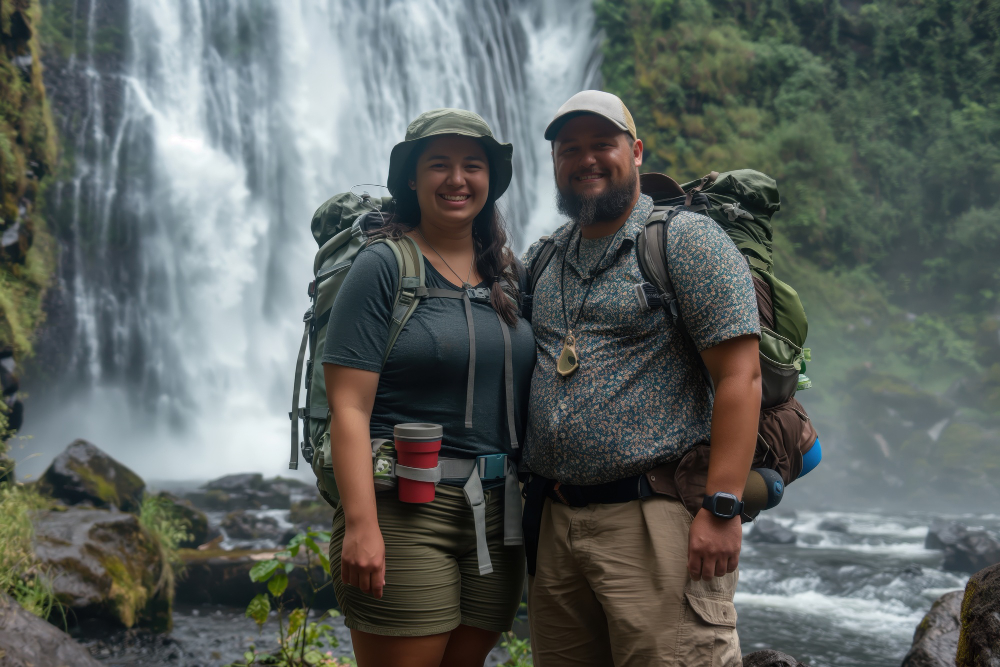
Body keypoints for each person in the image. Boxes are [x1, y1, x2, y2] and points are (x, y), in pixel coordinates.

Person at [520, 90, 762, 666]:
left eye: (603, 144)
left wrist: (723, 507)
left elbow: (740, 374)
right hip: (556, 524)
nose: (587, 159)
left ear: (636, 151)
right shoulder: (543, 260)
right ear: (554, 162)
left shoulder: (684, 240)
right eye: (569, 148)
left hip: (656, 518)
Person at [322, 109, 533, 667]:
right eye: (438, 164)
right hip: (405, 509)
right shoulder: (383, 266)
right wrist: (361, 526)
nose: (457, 179)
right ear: (411, 180)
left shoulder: (510, 276)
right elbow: (347, 406)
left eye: (472, 165)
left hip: (497, 513)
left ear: (491, 181)